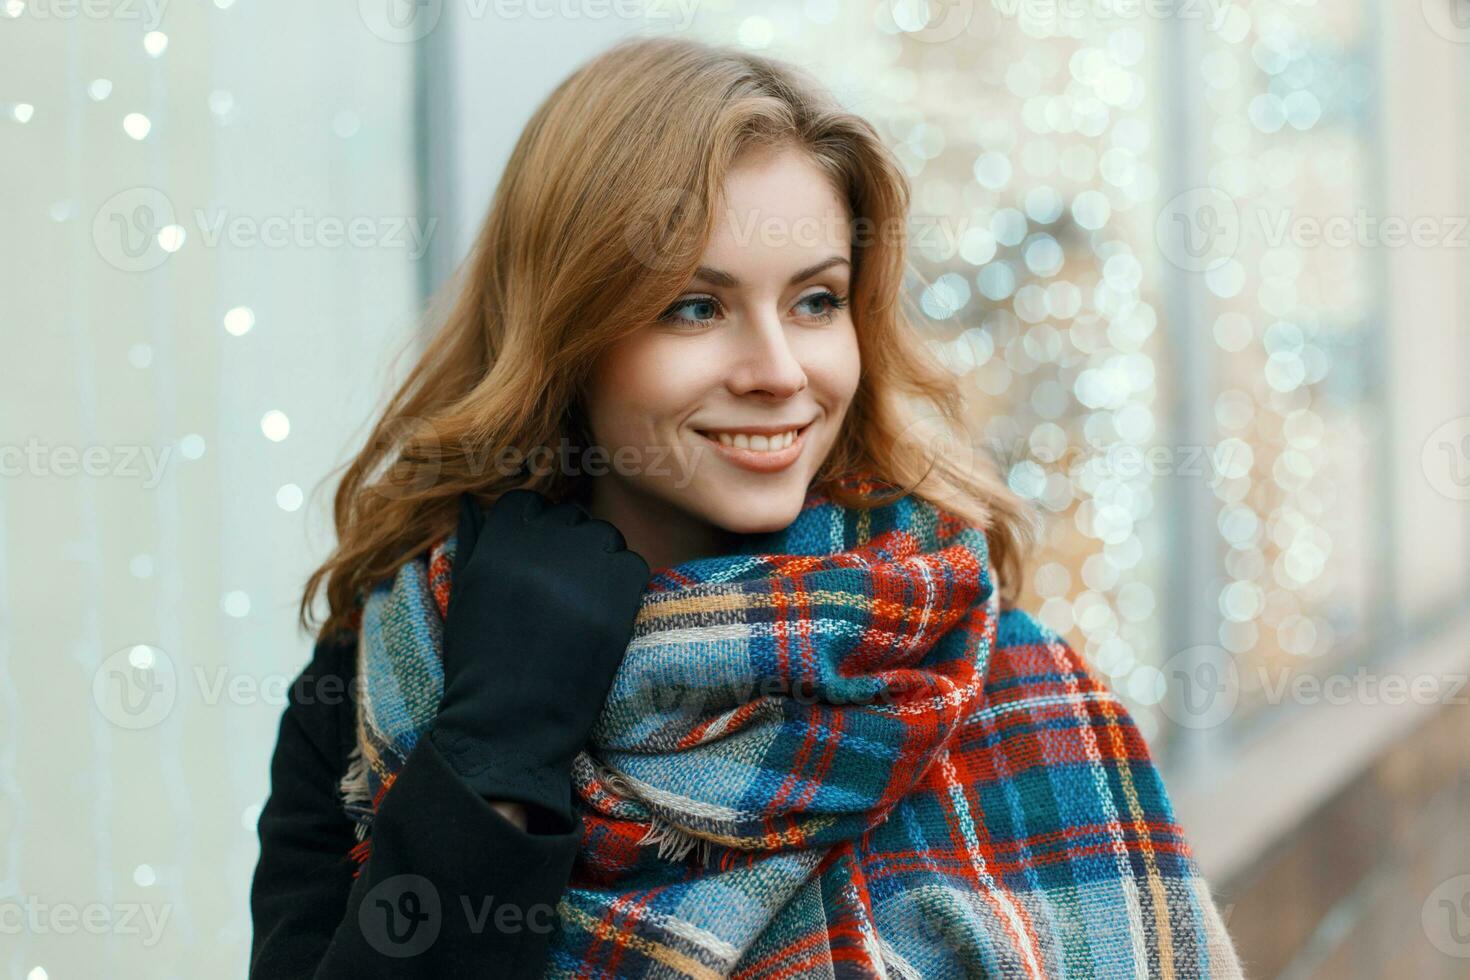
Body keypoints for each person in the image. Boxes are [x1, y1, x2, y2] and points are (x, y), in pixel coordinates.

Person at [250, 35, 1242, 979]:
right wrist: (496, 748)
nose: (779, 371)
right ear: (567, 331)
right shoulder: (388, 671)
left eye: (816, 301)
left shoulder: (980, 674)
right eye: (695, 305)